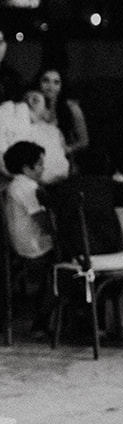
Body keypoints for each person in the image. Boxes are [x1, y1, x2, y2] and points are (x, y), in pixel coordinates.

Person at [1, 139, 56, 331]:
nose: (43, 168)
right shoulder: (27, 187)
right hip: (34, 246)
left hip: (20, 243)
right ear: (26, 167)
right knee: (66, 263)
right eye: (40, 164)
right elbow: (42, 220)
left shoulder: (15, 184)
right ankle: (44, 321)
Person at [34, 66, 90, 165]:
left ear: (61, 86)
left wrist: (66, 150)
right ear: (39, 83)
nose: (50, 87)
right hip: (36, 159)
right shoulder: (32, 106)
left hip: (62, 160)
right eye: (46, 81)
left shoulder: (72, 108)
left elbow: (84, 142)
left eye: (56, 82)